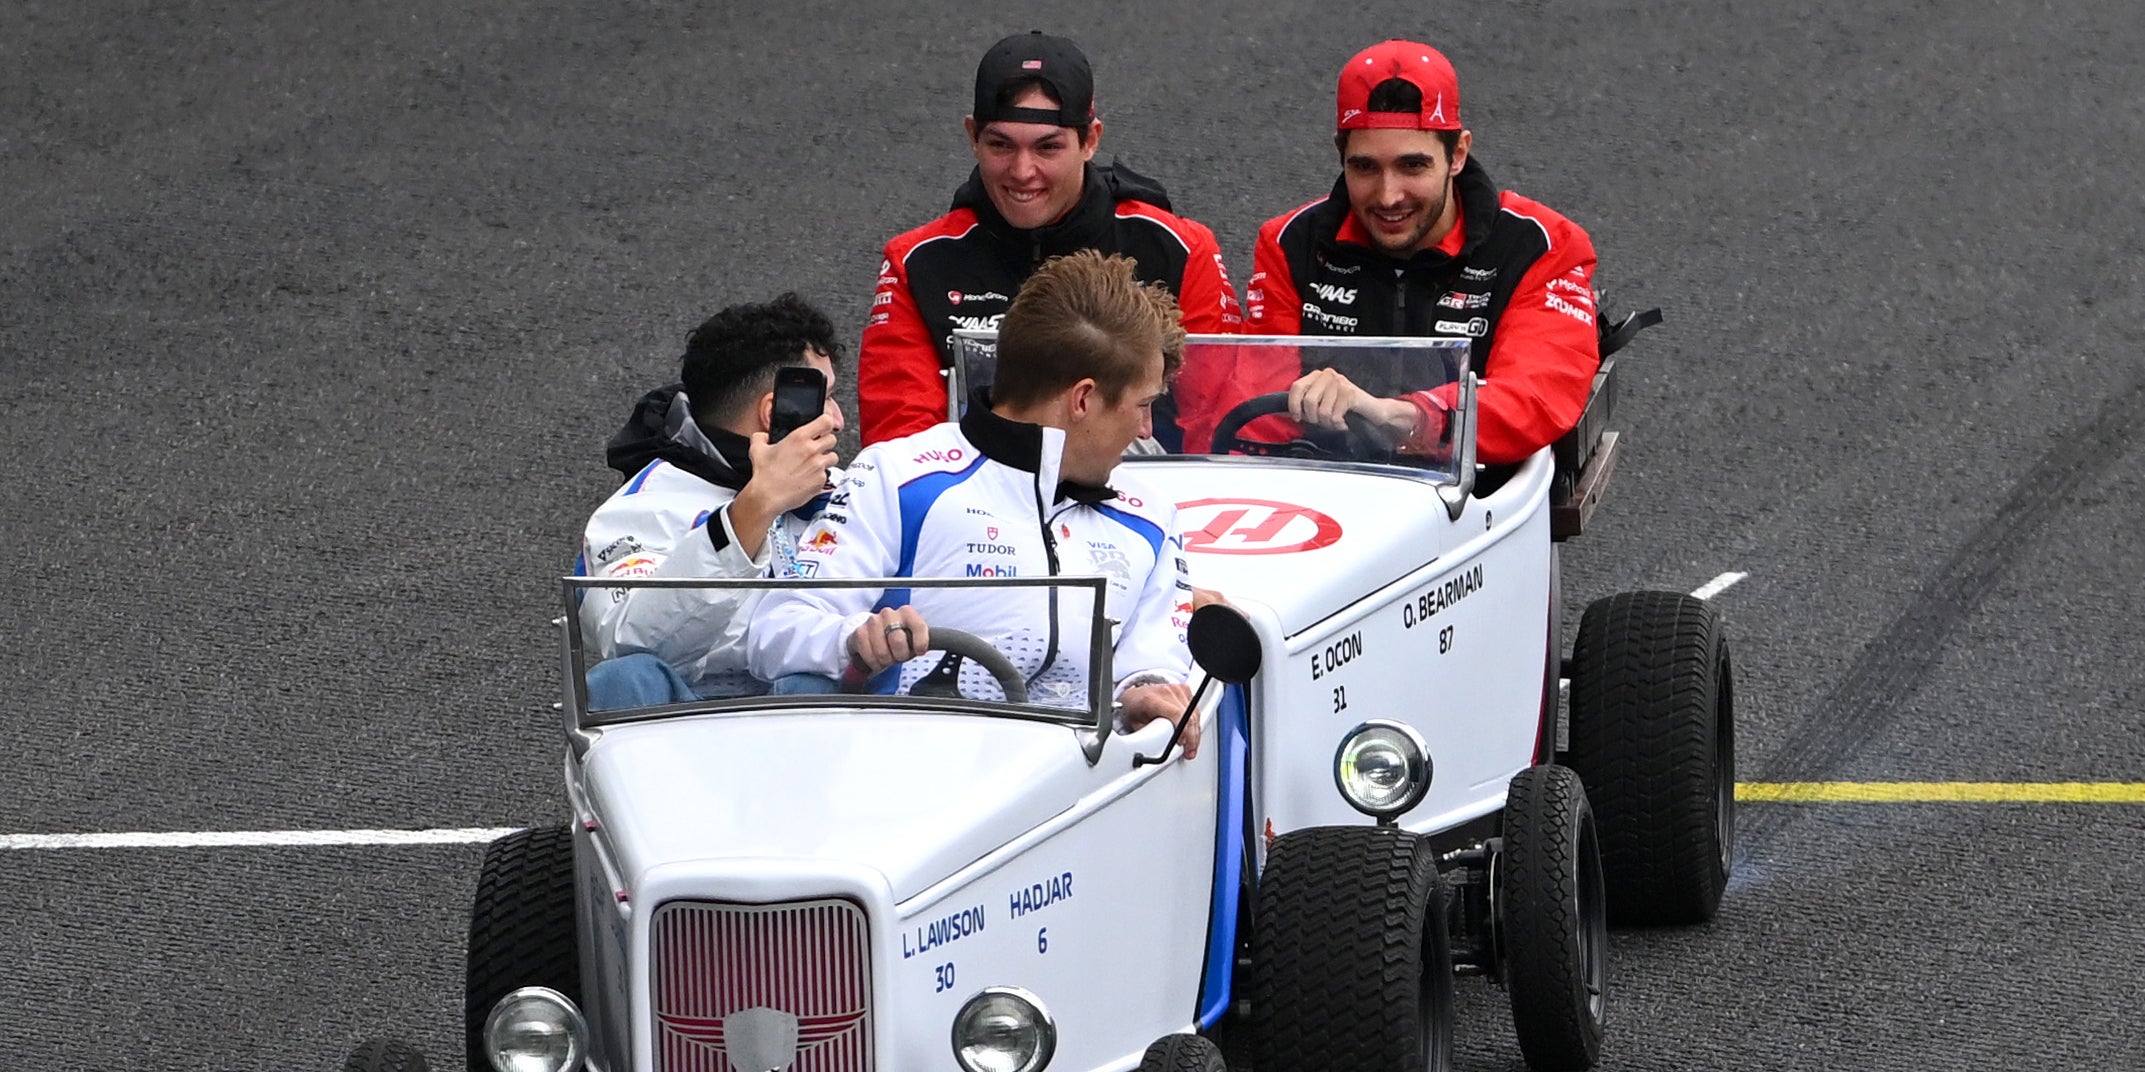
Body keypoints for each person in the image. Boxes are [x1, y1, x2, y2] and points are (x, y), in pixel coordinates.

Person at [751, 251, 1201, 757]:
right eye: (1144, 405)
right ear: (1083, 399)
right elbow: (775, 630)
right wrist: (853, 639)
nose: (1146, 429)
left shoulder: (1151, 518)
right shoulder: (898, 478)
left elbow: (1155, 666)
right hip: (904, 776)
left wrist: (1142, 693)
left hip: (1081, 790)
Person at [1175, 40, 1602, 465]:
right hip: (1329, 487)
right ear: (1341, 155)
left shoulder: (1543, 245)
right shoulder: (1290, 243)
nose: (1388, 195)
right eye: (1365, 167)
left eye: (1412, 166)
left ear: (1457, 154)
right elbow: (1255, 411)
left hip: (1478, 493)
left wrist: (1398, 417)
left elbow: (1535, 395)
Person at [857, 30, 1240, 451]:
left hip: (1146, 483)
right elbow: (901, 446)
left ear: (1090, 140)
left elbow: (1216, 425)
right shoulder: (915, 263)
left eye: (1047, 148)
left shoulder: (1182, 249)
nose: (1022, 171)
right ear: (973, 137)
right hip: (976, 487)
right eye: (1001, 145)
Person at [576, 293, 845, 705]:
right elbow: (633, 644)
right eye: (825, 398)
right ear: (774, 411)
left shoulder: (849, 491)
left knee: (814, 684)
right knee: (624, 680)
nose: (838, 420)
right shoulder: (639, 508)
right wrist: (754, 510)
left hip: (809, 722)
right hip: (685, 730)